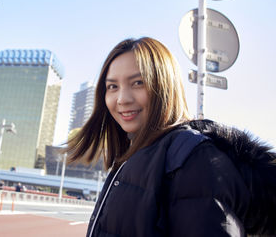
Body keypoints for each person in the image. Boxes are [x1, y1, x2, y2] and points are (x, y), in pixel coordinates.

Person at [65, 37, 276, 237]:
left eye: (138, 82)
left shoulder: (191, 157)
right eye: (113, 86)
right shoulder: (134, 158)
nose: (122, 99)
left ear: (164, 86)